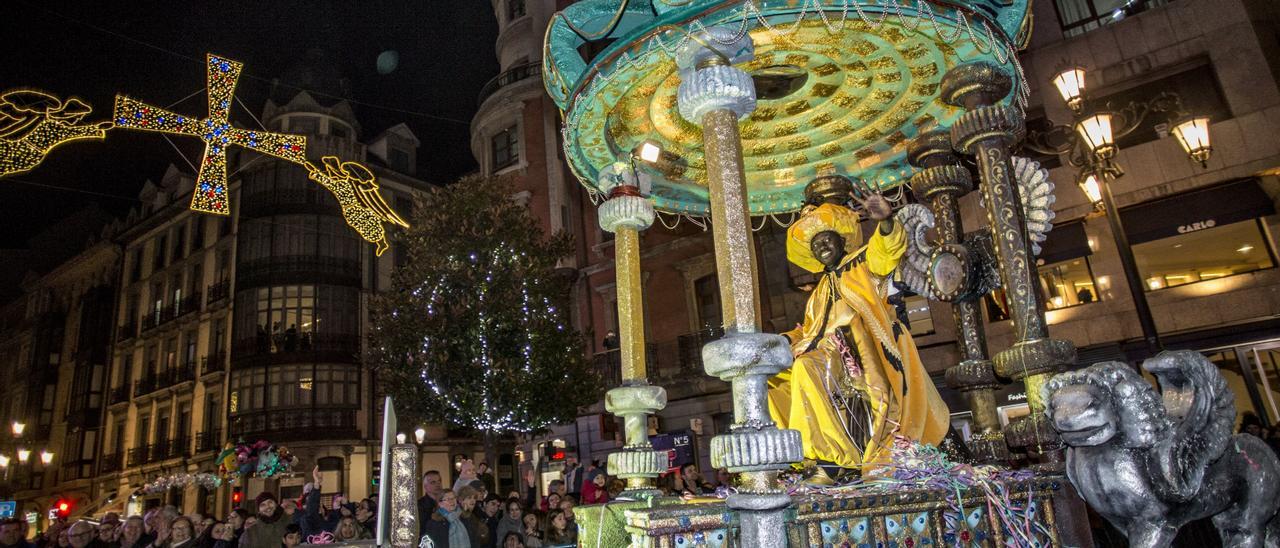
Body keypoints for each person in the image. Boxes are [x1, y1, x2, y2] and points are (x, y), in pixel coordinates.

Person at [768, 181, 950, 474]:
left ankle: (833, 458)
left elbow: (885, 251)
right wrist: (779, 341)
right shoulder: (818, 291)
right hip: (824, 355)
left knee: (806, 368)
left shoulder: (862, 264)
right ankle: (796, 457)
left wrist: (886, 221)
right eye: (815, 245)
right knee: (770, 377)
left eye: (826, 239)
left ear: (840, 239)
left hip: (862, 353)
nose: (822, 247)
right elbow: (810, 330)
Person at [417, 470, 444, 540]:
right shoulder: (419, 506)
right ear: (425, 487)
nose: (438, 485)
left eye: (439, 481)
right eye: (433, 482)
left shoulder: (447, 501)